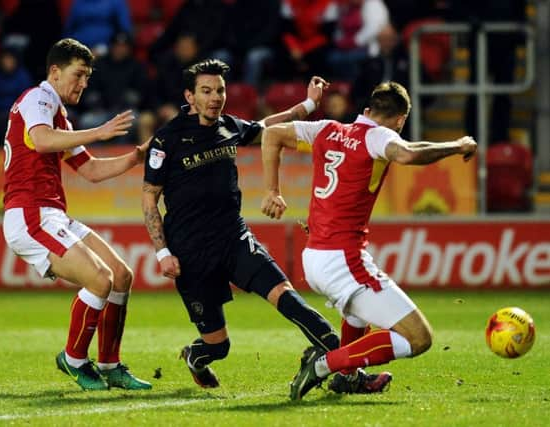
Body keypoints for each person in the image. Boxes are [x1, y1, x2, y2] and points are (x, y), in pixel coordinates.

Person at [260, 81, 477, 400]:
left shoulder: (327, 128)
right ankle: (325, 364)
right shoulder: (379, 136)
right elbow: (406, 154)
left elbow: (272, 134)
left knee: (356, 313)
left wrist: (272, 191)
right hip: (343, 260)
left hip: (316, 255)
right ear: (400, 120)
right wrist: (456, 146)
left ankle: (347, 377)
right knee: (419, 338)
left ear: (367, 110)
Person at [142, 59, 342, 390]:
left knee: (286, 295)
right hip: (191, 252)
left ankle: (342, 363)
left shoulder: (229, 126)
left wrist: (309, 104)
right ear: (190, 96)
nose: (215, 97)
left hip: (234, 238)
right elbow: (149, 197)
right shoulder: (167, 140)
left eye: (219, 90)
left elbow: (270, 126)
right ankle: (197, 356)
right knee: (218, 346)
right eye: (206, 91)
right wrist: (162, 251)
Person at [2, 38, 151, 391]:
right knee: (99, 279)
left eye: (87, 77)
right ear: (54, 72)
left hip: (52, 213)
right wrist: (99, 131)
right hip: (30, 214)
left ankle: (110, 364)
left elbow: (92, 170)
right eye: (78, 75)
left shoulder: (59, 117)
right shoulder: (37, 100)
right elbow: (40, 141)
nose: (83, 84)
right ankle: (73, 359)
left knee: (120, 274)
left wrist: (136, 156)